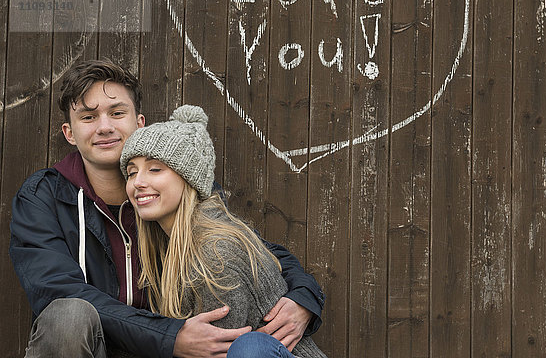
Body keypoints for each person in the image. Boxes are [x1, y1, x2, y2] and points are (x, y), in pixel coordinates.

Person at [9, 59, 325, 357]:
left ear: (139, 123)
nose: (104, 127)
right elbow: (56, 291)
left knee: (251, 347)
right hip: (107, 348)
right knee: (68, 315)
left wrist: (303, 298)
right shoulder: (44, 196)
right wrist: (168, 336)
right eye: (89, 117)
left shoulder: (178, 187)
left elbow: (251, 249)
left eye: (117, 113)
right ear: (70, 133)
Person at [120, 105, 327, 358]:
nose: (138, 182)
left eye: (155, 169)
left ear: (189, 180)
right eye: (131, 172)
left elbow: (217, 351)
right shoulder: (170, 246)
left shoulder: (215, 253)